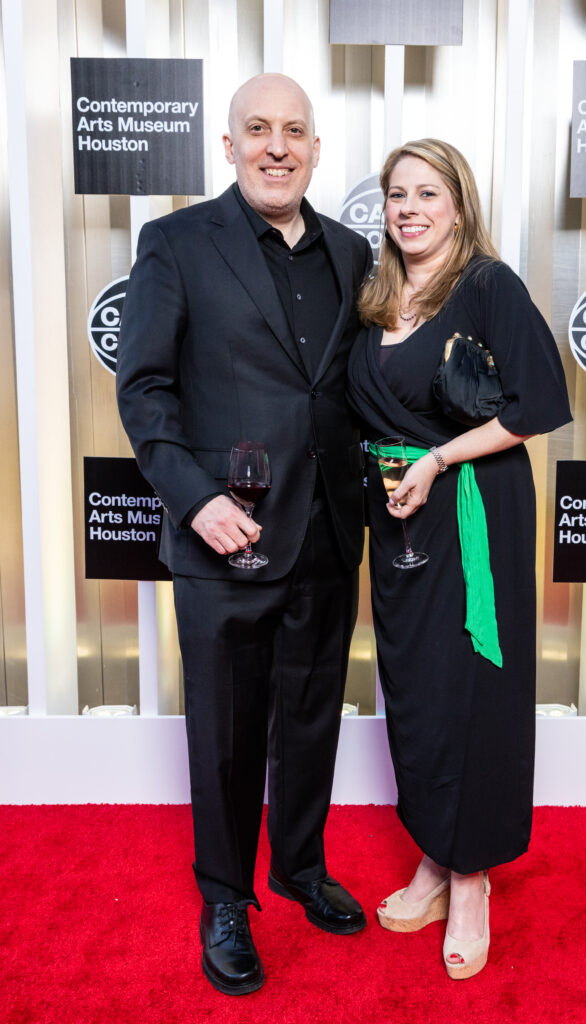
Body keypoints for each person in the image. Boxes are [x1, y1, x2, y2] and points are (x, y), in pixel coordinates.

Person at [116, 74, 372, 996]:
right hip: (226, 533)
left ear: (314, 147)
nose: (277, 146)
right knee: (226, 729)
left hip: (327, 531)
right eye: (257, 129)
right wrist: (192, 500)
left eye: (294, 131)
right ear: (228, 146)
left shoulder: (352, 252)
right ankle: (224, 895)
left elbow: (348, 392)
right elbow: (144, 388)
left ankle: (297, 866)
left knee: (309, 717)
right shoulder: (177, 242)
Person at [347, 139, 571, 980]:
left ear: (458, 204)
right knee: (415, 687)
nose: (408, 208)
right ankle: (435, 856)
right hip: (398, 516)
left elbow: (538, 404)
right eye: (396, 194)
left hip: (472, 511)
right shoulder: (375, 298)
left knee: (471, 689)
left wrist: (438, 460)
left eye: (426, 193)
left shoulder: (485, 286)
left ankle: (470, 876)